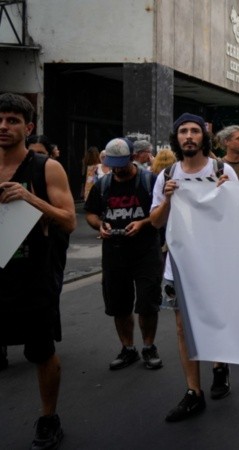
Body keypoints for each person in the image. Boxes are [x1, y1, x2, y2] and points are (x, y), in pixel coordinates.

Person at [150, 113, 239, 422]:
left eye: (195, 131)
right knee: (182, 326)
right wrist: (168, 200)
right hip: (179, 265)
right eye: (183, 131)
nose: (189, 136)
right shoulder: (167, 175)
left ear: (204, 137)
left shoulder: (222, 169)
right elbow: (156, 222)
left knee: (214, 318)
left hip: (215, 263)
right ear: (177, 138)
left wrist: (228, 193)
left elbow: (237, 218)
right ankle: (193, 392)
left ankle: (219, 365)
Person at [0, 93, 76, 450]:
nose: (3, 126)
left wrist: (29, 197)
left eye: (13, 120)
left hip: (33, 274)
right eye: (0, 119)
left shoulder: (46, 167)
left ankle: (49, 418)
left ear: (28, 127)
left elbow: (69, 220)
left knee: (41, 352)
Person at [84, 138, 163, 371]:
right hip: (114, 253)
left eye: (121, 163)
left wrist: (143, 223)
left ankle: (149, 347)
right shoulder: (103, 185)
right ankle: (128, 348)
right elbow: (90, 212)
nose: (117, 169)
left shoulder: (150, 181)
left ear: (132, 158)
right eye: (112, 164)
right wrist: (99, 225)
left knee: (148, 303)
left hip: (146, 251)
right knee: (119, 304)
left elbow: (161, 213)